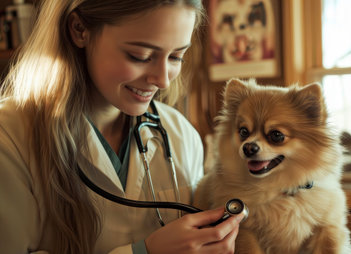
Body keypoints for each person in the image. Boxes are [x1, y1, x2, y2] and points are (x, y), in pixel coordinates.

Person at [0, 0, 243, 253]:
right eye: (141, 56)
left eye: (176, 56)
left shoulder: (180, 135)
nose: (162, 81)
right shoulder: (10, 138)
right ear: (79, 29)